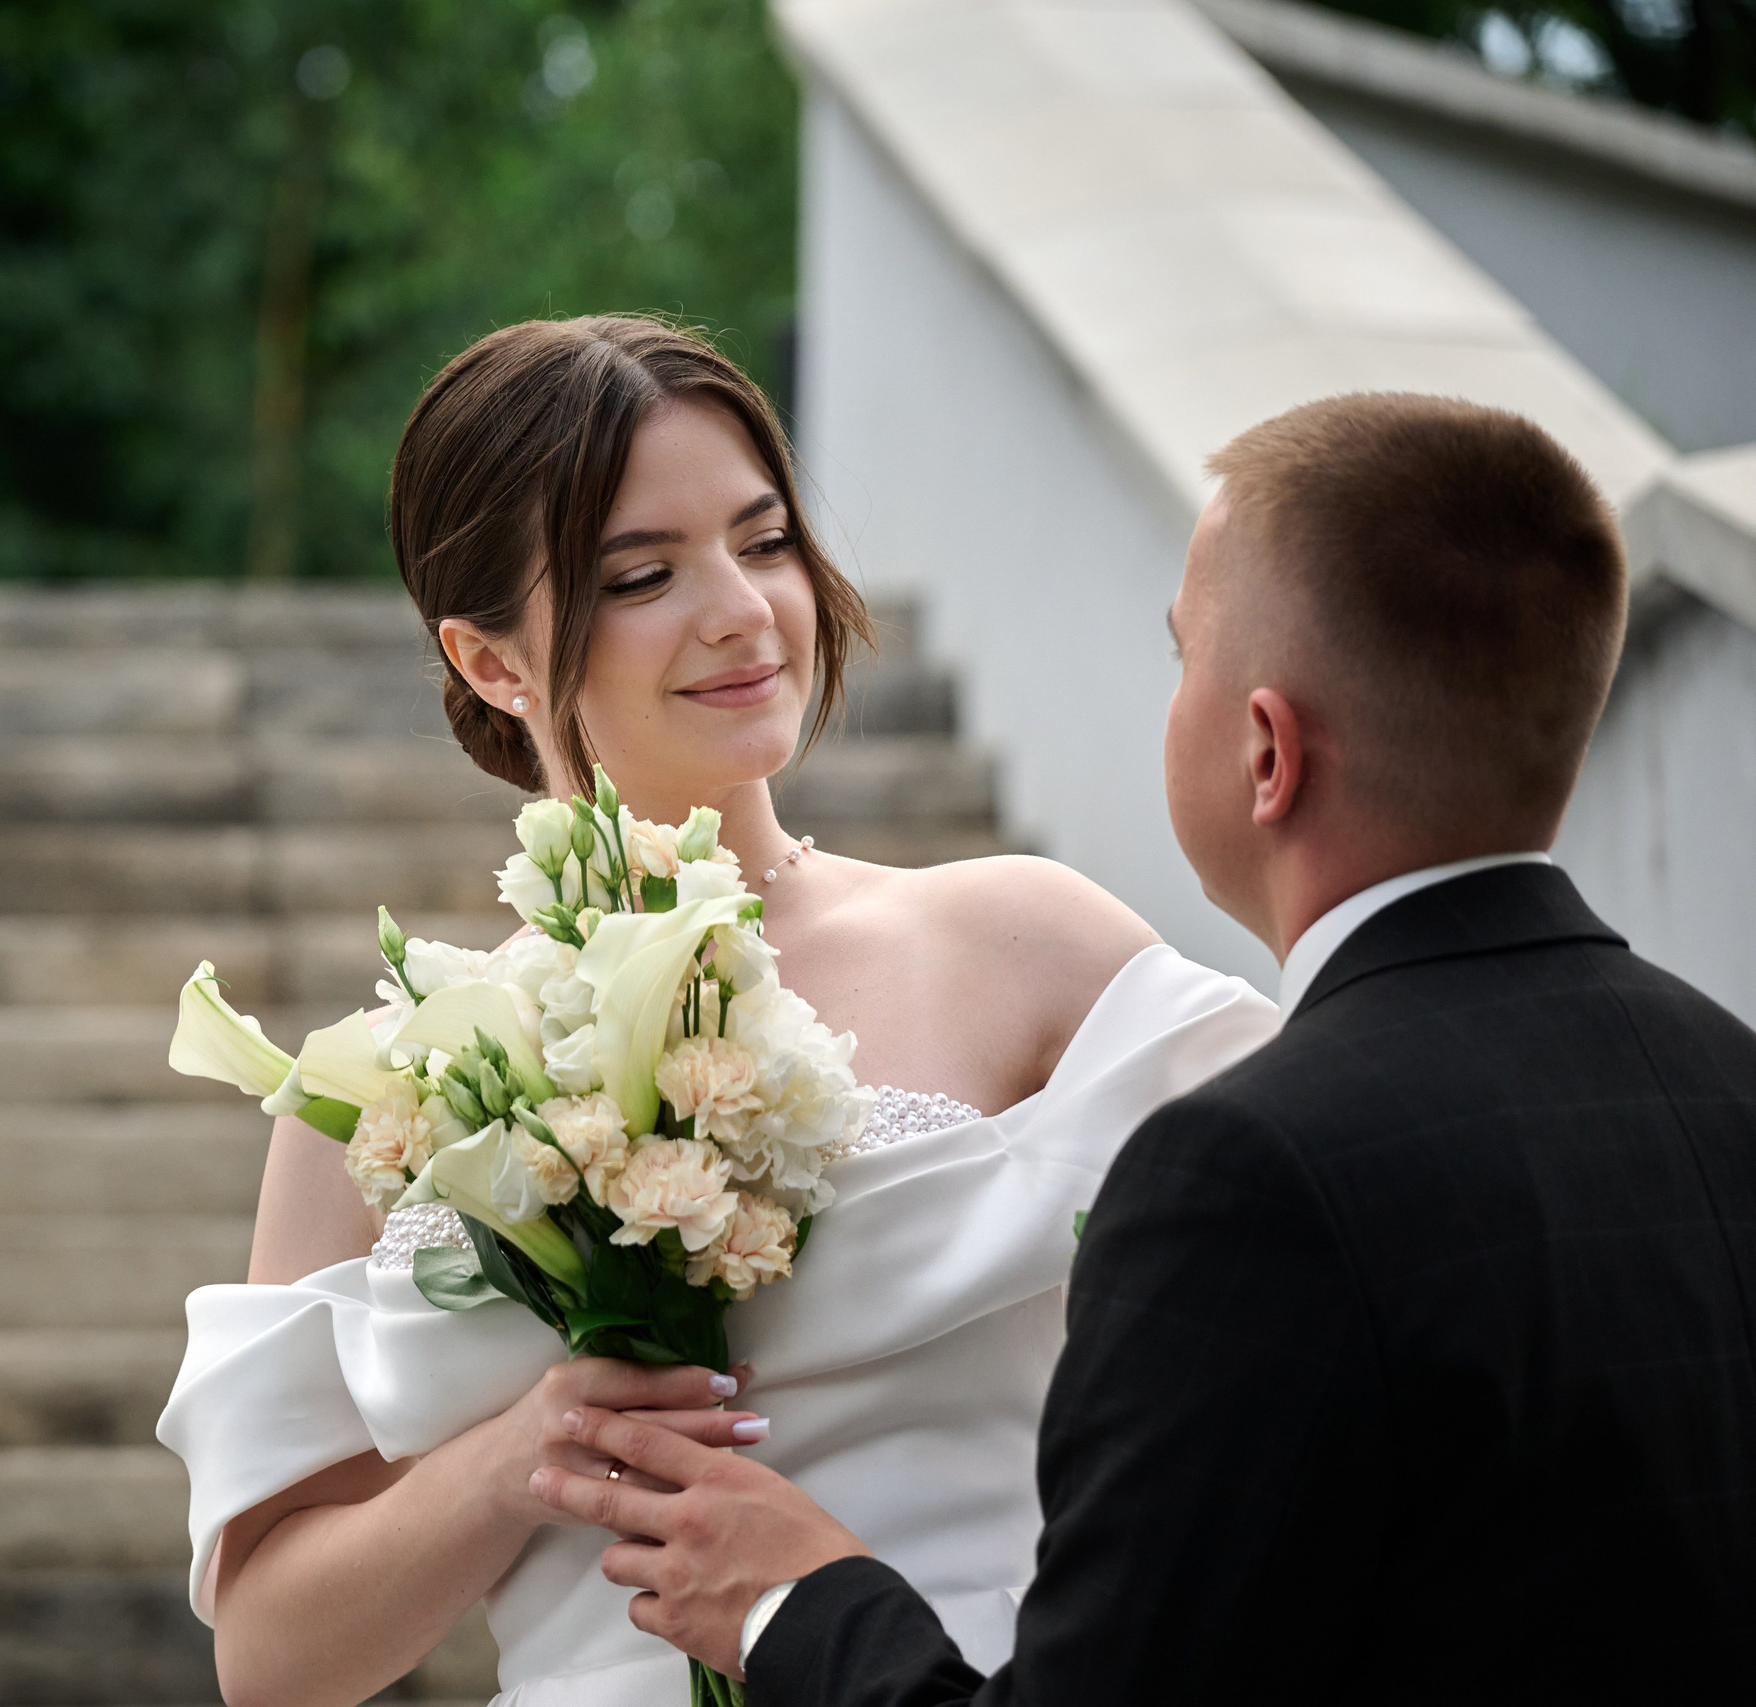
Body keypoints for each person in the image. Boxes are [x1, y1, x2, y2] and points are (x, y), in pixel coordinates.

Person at [533, 393, 1756, 1704]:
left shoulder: (1252, 1172)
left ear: (1267, 753)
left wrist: (795, 1601)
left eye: (1185, 659)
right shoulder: (1730, 1083)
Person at [154, 315, 1280, 1707]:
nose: (744, 609)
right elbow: (270, 1661)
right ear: (493, 662)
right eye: (644, 575)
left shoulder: (1017, 944)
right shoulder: (388, 1087)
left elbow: (1337, 1271)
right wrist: (520, 1460)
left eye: (766, 541)